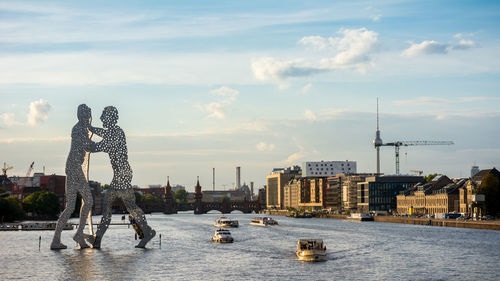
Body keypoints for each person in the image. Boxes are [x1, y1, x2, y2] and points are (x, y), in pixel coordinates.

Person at [85, 106, 155, 248]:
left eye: (104, 117)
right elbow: (103, 133)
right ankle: (147, 231)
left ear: (110, 118)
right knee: (130, 206)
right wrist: (90, 128)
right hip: (122, 173)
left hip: (122, 174)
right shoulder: (115, 132)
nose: (101, 119)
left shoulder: (116, 133)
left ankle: (97, 240)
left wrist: (83, 141)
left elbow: (96, 147)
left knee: (107, 205)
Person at [51, 104, 93, 250]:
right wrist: (104, 145)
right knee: (88, 200)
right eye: (87, 116)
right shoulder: (79, 129)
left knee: (70, 207)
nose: (88, 119)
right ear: (82, 116)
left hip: (72, 168)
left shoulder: (80, 129)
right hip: (74, 169)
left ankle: (58, 240)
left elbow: (87, 146)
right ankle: (78, 235)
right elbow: (88, 146)